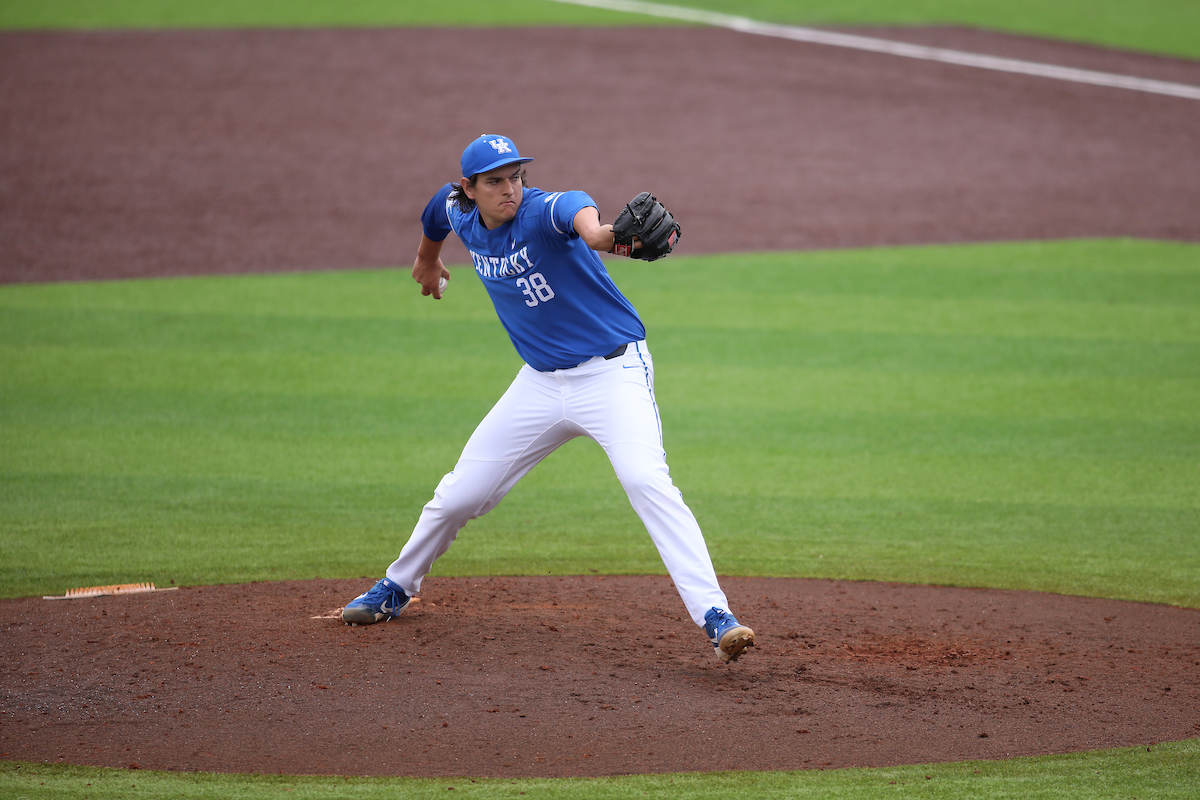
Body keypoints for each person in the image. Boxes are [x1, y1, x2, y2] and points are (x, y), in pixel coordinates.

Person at [341, 134, 754, 663]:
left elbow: (582, 214)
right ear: (470, 188)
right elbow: (435, 213)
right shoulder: (460, 212)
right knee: (460, 494)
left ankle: (717, 617)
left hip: (612, 375)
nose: (509, 189)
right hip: (539, 384)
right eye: (495, 181)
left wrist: (604, 237)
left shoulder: (545, 211)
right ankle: (396, 587)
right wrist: (426, 259)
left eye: (515, 176)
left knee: (646, 481)